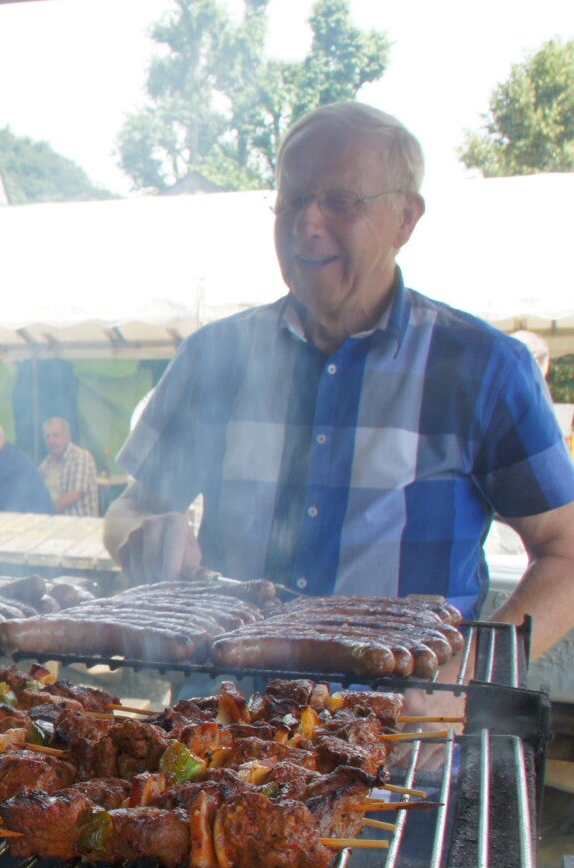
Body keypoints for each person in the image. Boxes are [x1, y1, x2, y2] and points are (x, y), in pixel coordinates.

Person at [103, 101, 574, 651]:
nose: (307, 222)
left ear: (404, 218)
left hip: (401, 705)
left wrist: (461, 675)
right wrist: (142, 537)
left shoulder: (483, 369)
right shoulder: (214, 356)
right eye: (292, 199)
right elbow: (131, 508)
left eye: (340, 201)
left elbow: (564, 552)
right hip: (221, 700)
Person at [0, 423, 55, 515]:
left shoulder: (5, 457)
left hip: (35, 518)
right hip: (30, 515)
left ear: (0, 438)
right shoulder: (10, 453)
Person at [40, 416, 100, 517]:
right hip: (52, 521)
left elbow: (74, 495)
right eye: (47, 437)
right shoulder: (46, 463)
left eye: (55, 436)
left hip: (79, 524)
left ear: (67, 437)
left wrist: (45, 511)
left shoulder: (80, 457)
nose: (51, 440)